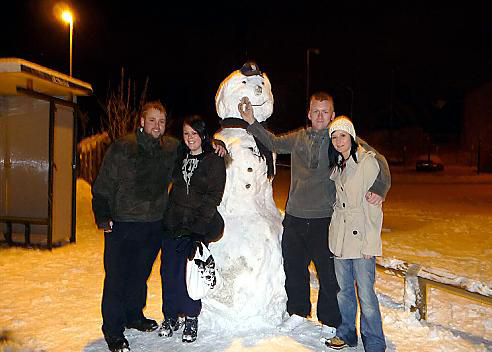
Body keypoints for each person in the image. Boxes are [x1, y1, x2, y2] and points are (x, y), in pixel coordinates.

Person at [239, 92, 391, 340]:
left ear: (332, 116)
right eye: (316, 111)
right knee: (295, 269)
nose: (320, 116)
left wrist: (380, 188)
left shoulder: (340, 139)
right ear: (309, 114)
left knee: (329, 276)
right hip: (295, 217)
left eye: (325, 112)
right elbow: (274, 142)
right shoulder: (298, 138)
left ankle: (331, 320)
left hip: (325, 219)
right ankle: (298, 313)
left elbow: (379, 160)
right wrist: (251, 121)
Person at [92, 102, 225, 352]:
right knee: (117, 279)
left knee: (140, 276)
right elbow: (102, 185)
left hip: (154, 225)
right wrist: (102, 215)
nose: (157, 126)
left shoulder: (170, 147)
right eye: (152, 120)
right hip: (122, 224)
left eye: (161, 122)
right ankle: (113, 330)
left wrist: (218, 144)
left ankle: (134, 315)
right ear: (141, 121)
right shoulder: (123, 147)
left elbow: (195, 143)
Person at [158, 115, 226, 343]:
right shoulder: (179, 154)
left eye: (195, 133)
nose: (190, 138)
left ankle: (191, 317)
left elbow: (213, 197)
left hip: (196, 225)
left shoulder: (213, 160)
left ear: (203, 134)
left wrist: (199, 231)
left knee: (189, 276)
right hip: (172, 222)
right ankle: (170, 315)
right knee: (168, 272)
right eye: (186, 133)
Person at [324, 116, 386, 351]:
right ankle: (347, 333)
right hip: (341, 238)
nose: (338, 141)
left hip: (361, 240)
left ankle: (375, 343)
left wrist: (371, 244)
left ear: (351, 136)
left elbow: (373, 208)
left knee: (367, 297)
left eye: (342, 135)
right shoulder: (338, 166)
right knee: (344, 292)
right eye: (334, 137)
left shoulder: (367, 163)